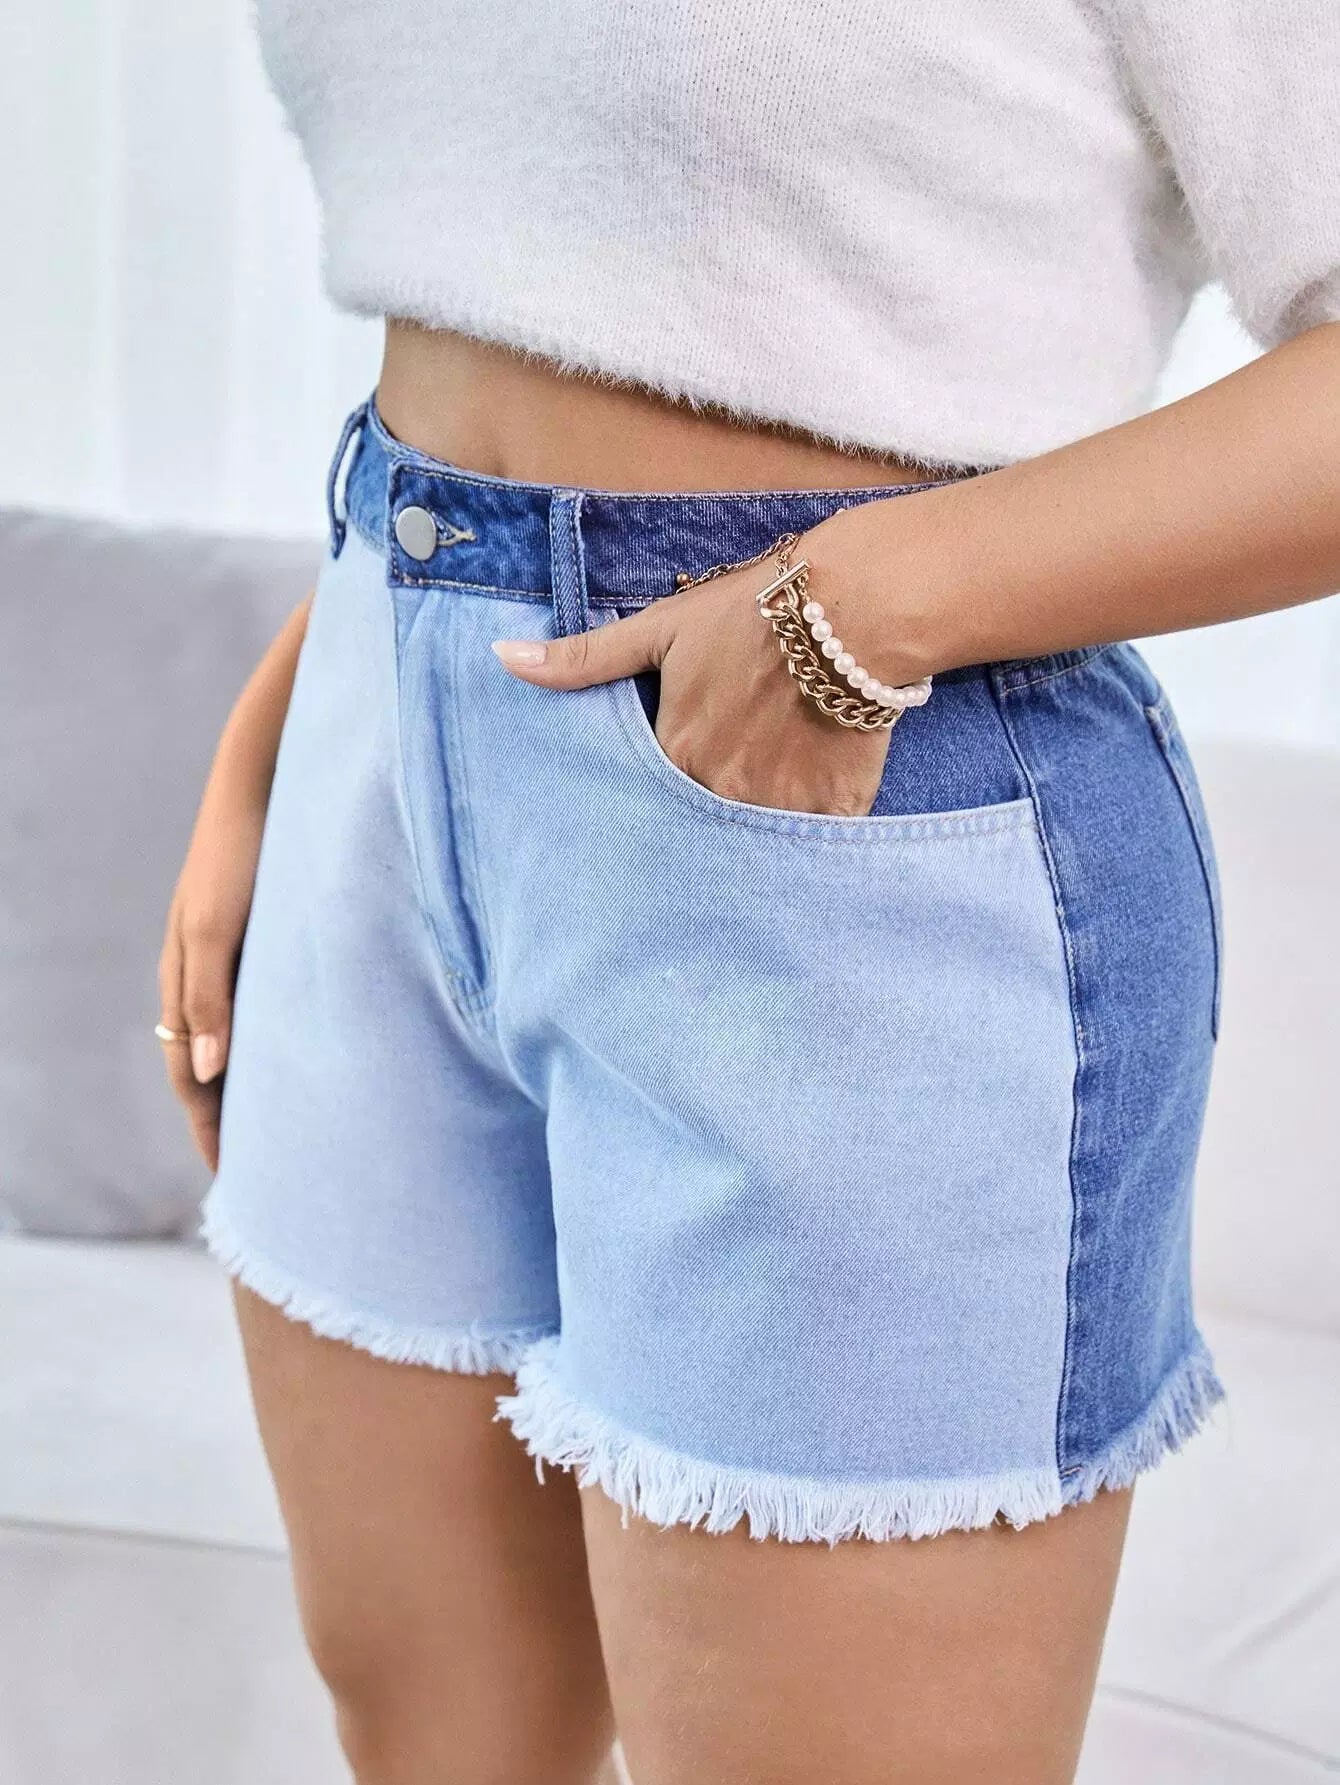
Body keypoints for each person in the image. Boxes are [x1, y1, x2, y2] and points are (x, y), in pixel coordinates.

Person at [158, 5, 1340, 1781]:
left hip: (855, 819)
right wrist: (315, 691)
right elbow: (543, 262)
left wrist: (861, 610)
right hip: (383, 736)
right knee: (429, 1741)